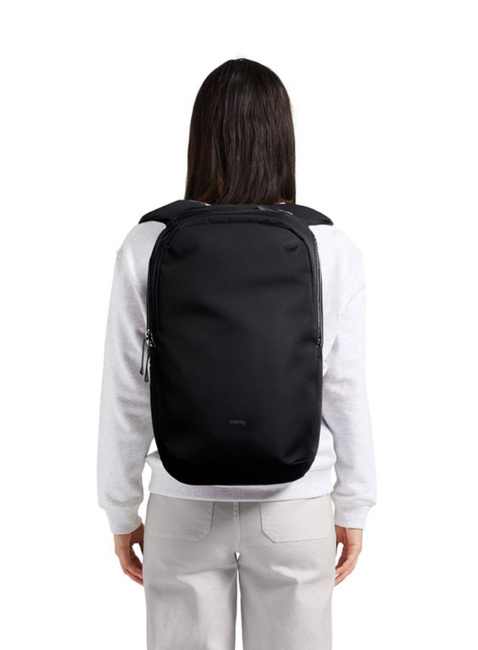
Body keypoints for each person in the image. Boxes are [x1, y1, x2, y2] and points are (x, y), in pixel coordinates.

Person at [97, 57, 377, 650]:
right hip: (296, 502)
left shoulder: (148, 242)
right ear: (282, 137)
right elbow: (343, 387)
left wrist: (121, 509)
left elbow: (127, 388)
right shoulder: (329, 245)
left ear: (200, 138)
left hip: (182, 501)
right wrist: (354, 503)